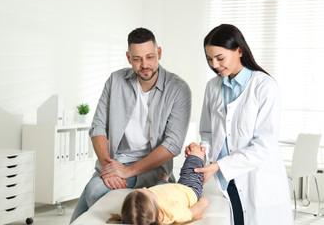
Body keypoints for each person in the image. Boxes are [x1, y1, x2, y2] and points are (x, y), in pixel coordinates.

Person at [70, 27, 192, 224]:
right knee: (89, 199)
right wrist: (108, 166)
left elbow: (173, 145)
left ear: (159, 53)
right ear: (128, 57)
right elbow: (98, 127)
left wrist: (128, 171)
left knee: (93, 191)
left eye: (150, 57)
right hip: (115, 161)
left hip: (151, 166)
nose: (144, 65)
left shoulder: (178, 89)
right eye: (137, 59)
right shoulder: (115, 81)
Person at [186, 24, 293, 225]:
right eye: (210, 59)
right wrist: (200, 150)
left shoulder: (264, 86)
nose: (215, 65)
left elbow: (263, 146)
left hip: (256, 181)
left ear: (239, 50)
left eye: (220, 58)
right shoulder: (212, 87)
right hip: (226, 181)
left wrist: (219, 165)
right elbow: (208, 133)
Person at [108, 144, 209, 225]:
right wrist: (203, 203)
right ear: (159, 213)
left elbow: (134, 209)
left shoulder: (129, 210)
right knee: (197, 150)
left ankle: (164, 179)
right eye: (146, 191)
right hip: (188, 190)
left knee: (157, 187)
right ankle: (165, 180)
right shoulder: (171, 211)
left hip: (164, 189)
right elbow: (191, 213)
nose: (143, 187)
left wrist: (159, 185)